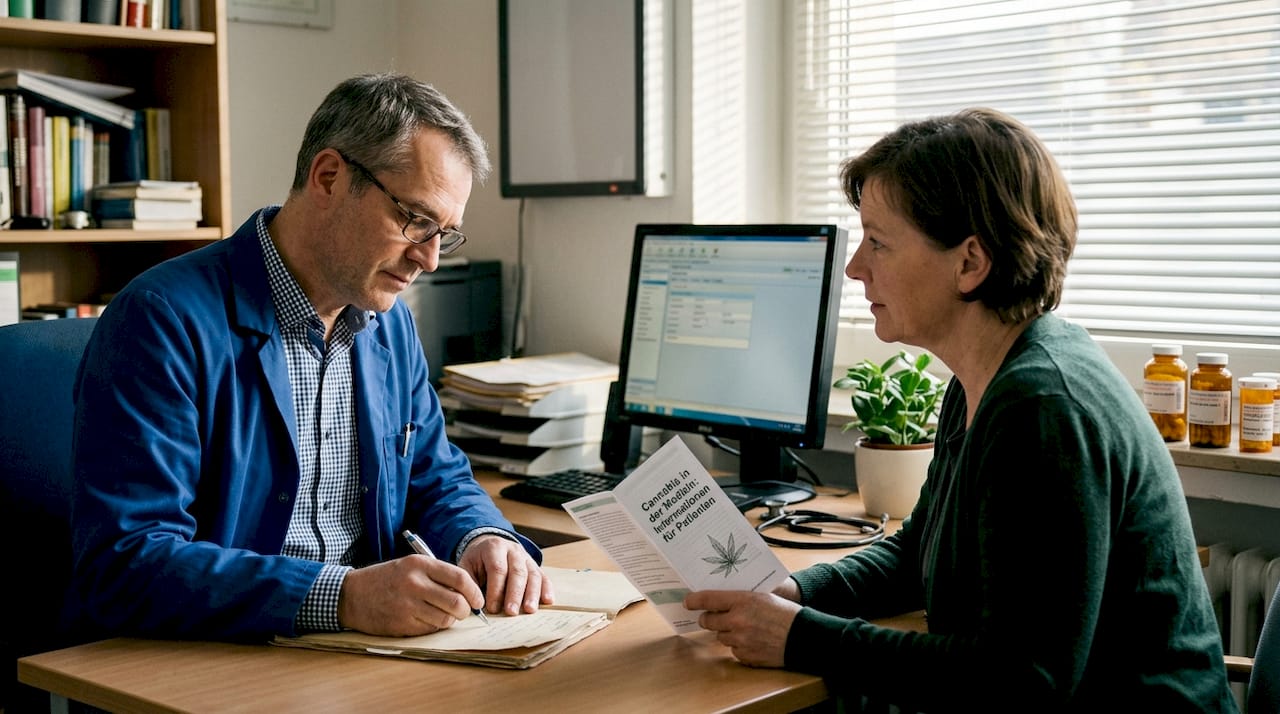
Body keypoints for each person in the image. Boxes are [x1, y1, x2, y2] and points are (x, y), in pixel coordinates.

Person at [684, 108, 1237, 711]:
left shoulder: (1043, 406)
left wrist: (799, 636)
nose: (854, 267)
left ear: (970, 263)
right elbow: (916, 553)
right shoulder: (983, 374)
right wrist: (793, 591)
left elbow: (1024, 681)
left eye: (879, 242)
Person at [68, 73, 553, 642]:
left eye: (445, 234)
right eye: (415, 220)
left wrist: (482, 538)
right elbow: (126, 560)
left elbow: (433, 473)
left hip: (364, 653)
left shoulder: (389, 323)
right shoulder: (161, 319)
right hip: (218, 657)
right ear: (328, 177)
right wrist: (341, 597)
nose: (430, 259)